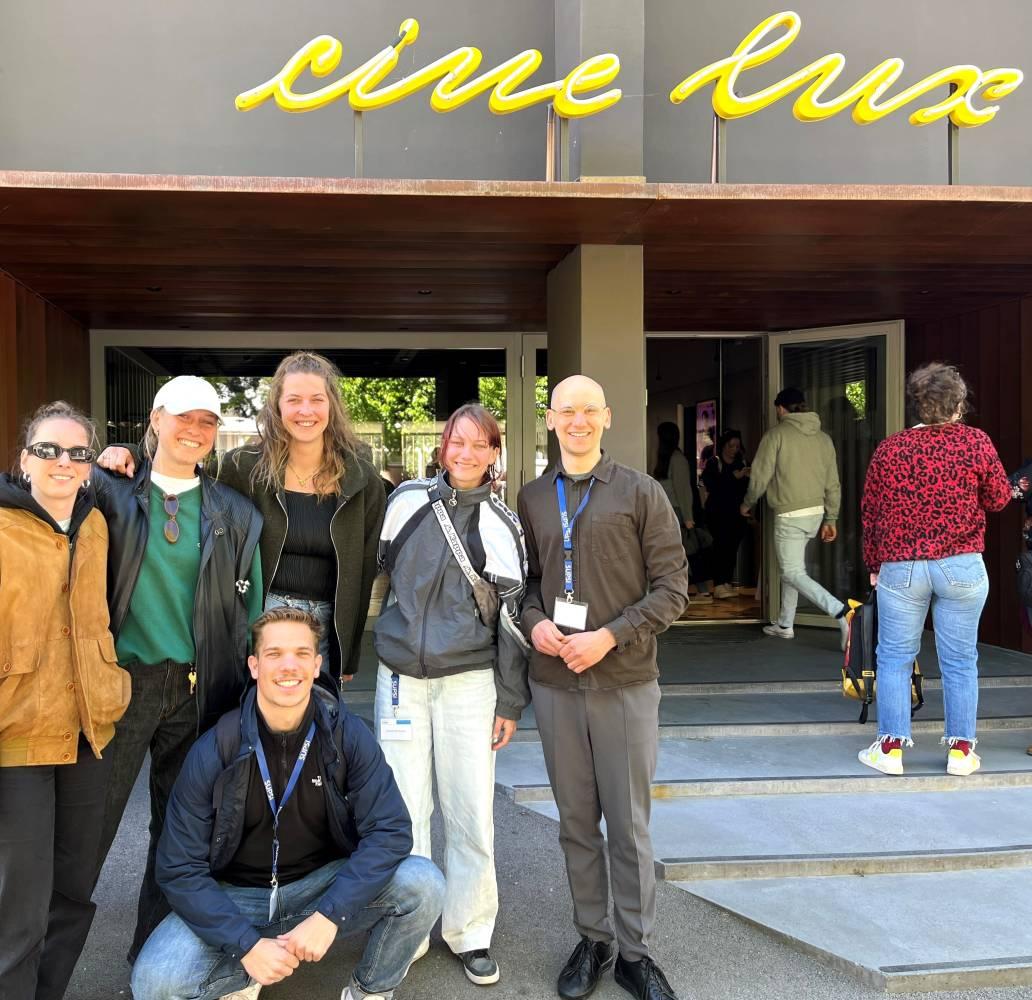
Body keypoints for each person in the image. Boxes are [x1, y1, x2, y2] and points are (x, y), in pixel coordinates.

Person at [130, 607, 445, 1000]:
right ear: (254, 665)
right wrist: (245, 944)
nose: (288, 666)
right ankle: (251, 968)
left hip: (318, 887)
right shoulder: (216, 748)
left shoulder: (348, 736)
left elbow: (391, 830)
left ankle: (369, 990)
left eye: (300, 654)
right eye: (274, 654)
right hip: (237, 895)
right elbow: (178, 867)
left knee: (424, 883)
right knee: (154, 983)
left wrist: (331, 914)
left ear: (316, 666)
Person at [517, 376, 688, 1000]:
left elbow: (674, 589)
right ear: (552, 419)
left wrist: (610, 636)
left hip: (623, 681)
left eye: (589, 409)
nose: (578, 421)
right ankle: (593, 938)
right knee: (576, 822)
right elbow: (527, 582)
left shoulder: (642, 492)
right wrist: (536, 624)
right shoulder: (533, 496)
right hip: (556, 682)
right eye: (567, 411)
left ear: (607, 417)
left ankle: (635, 953)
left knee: (629, 824)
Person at [91, 375, 265, 964]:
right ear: (157, 419)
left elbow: (251, 611)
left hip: (198, 687)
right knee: (87, 826)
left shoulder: (235, 513)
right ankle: (36, 964)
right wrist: (96, 461)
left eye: (207, 422)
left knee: (177, 837)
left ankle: (154, 964)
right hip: (122, 683)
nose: (194, 430)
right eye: (184, 417)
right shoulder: (107, 493)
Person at [98, 351, 386, 688]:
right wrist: (130, 452)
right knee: (254, 722)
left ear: (331, 406)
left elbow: (363, 569)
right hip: (258, 618)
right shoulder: (243, 467)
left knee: (316, 725)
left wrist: (348, 651)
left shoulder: (361, 479)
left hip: (323, 624)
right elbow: (183, 469)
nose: (305, 410)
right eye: (293, 400)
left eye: (316, 400)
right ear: (277, 406)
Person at [373, 403, 529, 986]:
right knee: (403, 809)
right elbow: (383, 570)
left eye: (478, 445)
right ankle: (408, 925)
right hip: (400, 680)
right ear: (443, 446)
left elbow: (512, 622)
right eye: (455, 442)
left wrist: (510, 701)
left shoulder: (503, 524)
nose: (465, 454)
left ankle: (471, 931)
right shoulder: (405, 502)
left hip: (469, 682)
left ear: (494, 454)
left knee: (470, 813)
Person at [0, 402, 131, 1000]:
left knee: (74, 891)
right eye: (49, 450)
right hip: (17, 732)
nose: (63, 462)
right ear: (24, 459)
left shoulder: (97, 522)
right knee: (19, 905)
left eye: (77, 453)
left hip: (86, 729)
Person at [859, 363, 1011, 777]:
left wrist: (874, 564)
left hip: (902, 567)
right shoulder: (976, 443)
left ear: (916, 405)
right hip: (961, 565)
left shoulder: (890, 449)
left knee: (893, 657)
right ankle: (961, 752)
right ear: (959, 402)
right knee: (961, 660)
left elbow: (870, 513)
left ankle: (890, 749)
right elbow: (998, 499)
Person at [742, 387, 848, 645]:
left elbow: (759, 475)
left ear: (780, 409)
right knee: (793, 568)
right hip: (816, 513)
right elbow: (833, 482)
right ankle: (785, 624)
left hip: (790, 513)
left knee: (791, 572)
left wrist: (748, 503)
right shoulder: (823, 438)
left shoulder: (776, 435)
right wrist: (831, 517)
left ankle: (841, 612)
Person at [654, 421, 712, 604]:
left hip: (677, 514)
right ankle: (690, 591)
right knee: (683, 554)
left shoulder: (674, 460)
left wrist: (688, 518)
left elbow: (683, 490)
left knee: (687, 553)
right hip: (671, 514)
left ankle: (701, 591)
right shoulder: (670, 459)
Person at [701, 429, 750, 600]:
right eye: (731, 446)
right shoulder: (714, 463)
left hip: (737, 515)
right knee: (720, 547)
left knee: (732, 549)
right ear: (723, 445)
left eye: (737, 446)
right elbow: (712, 487)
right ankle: (719, 583)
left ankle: (726, 581)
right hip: (718, 514)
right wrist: (733, 477)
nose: (734, 449)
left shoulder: (741, 463)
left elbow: (746, 489)